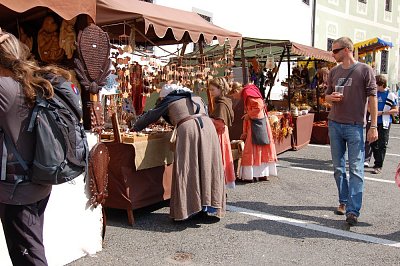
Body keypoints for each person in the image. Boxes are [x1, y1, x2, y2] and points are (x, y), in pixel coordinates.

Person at [0, 28, 72, 265]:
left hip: (17, 190)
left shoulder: (5, 87)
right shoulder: (28, 82)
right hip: (38, 181)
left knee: (29, 257)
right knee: (31, 247)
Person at [132, 83, 226, 221]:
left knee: (188, 166)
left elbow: (151, 116)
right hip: (208, 128)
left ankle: (189, 210)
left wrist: (136, 127)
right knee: (207, 165)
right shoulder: (196, 97)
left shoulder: (170, 99)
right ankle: (206, 206)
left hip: (189, 129)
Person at [325, 37, 378, 226]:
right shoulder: (333, 72)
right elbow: (326, 98)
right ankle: (343, 201)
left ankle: (353, 211)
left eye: (335, 51)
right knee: (338, 169)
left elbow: (372, 98)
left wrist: (373, 125)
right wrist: (330, 97)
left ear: (347, 50)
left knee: (356, 169)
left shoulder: (365, 70)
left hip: (355, 125)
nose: (333, 54)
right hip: (335, 124)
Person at [233, 83, 277, 182]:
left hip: (257, 122)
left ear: (236, 91)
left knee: (252, 148)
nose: (235, 98)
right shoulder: (249, 91)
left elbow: (258, 106)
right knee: (261, 147)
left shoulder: (247, 93)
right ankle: (262, 173)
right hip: (259, 121)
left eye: (233, 95)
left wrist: (249, 115)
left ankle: (251, 175)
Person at [365, 74, 398, 174]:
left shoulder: (390, 95)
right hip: (373, 121)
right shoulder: (374, 93)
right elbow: (368, 106)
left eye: (376, 84)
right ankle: (376, 160)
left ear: (381, 84)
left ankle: (378, 165)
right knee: (372, 141)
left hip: (384, 122)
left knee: (382, 144)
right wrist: (372, 111)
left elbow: (395, 110)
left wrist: (382, 113)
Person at [208, 77, 236, 188]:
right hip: (222, 134)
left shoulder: (221, 104)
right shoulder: (223, 101)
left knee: (219, 158)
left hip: (219, 134)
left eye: (212, 90)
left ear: (220, 89)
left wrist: (208, 120)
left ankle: (219, 183)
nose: (211, 92)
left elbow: (219, 124)